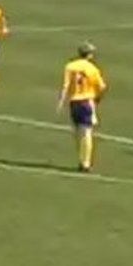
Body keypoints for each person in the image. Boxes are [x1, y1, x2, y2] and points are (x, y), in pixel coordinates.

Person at [57, 42, 107, 172]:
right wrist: (98, 98)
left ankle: (81, 160)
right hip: (86, 101)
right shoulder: (92, 69)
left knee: (77, 133)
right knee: (87, 133)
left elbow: (65, 86)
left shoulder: (70, 66)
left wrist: (61, 101)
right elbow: (102, 87)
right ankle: (85, 163)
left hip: (74, 102)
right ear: (89, 55)